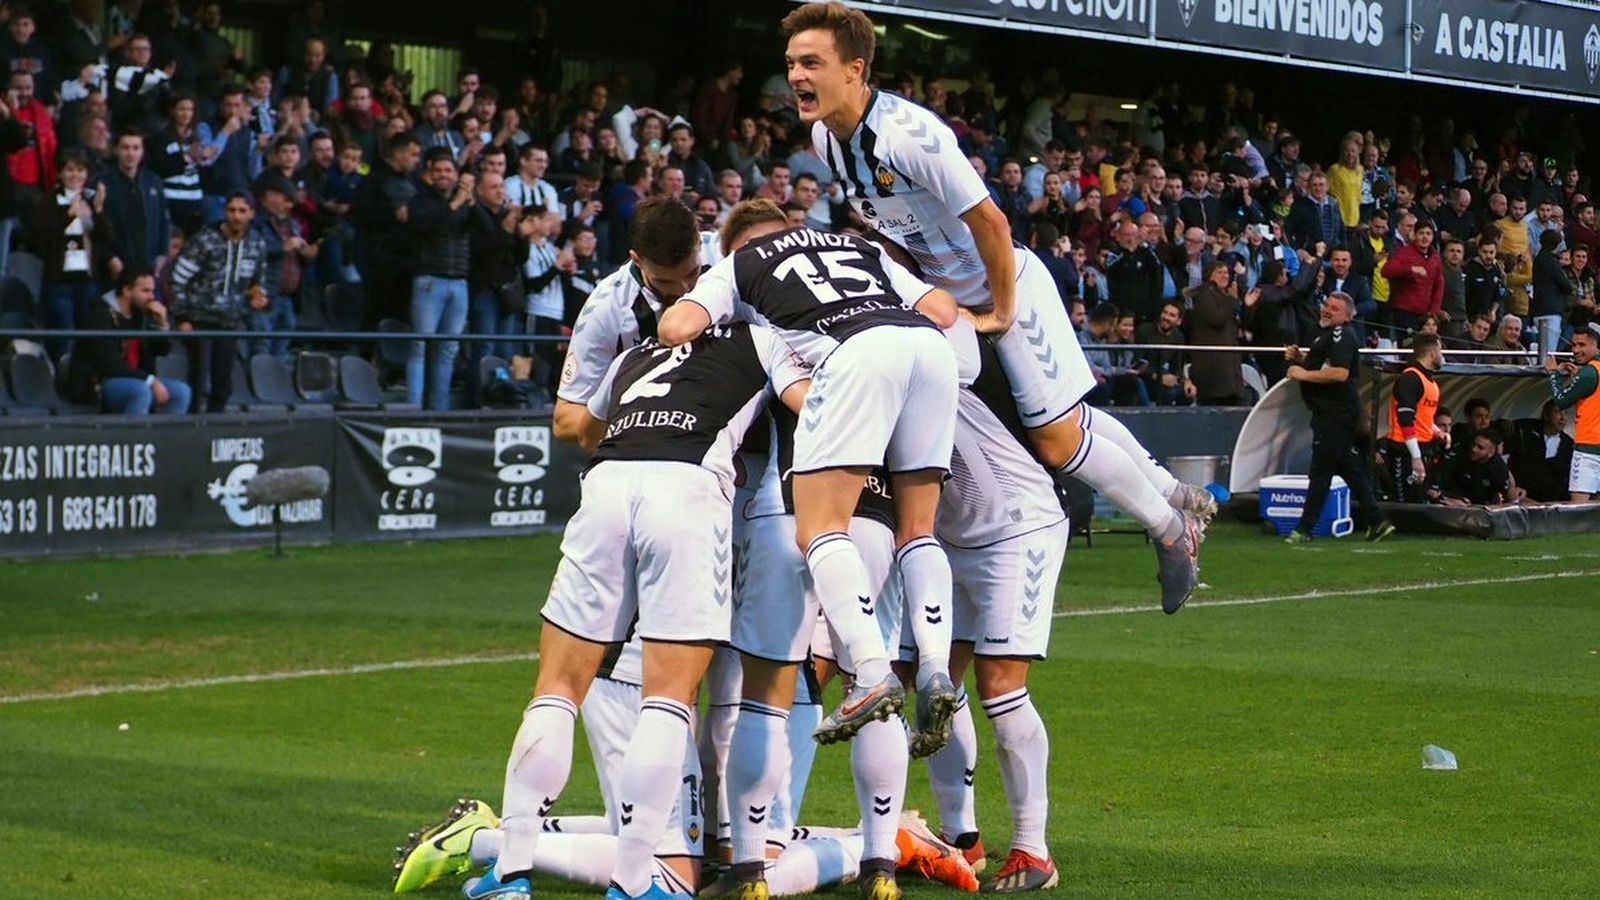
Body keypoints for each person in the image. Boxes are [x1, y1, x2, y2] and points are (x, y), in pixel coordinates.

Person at [781, 0, 1210, 631]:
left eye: (811, 62)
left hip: (1007, 287)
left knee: (1056, 436)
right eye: (791, 62)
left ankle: (1172, 529)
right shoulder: (826, 139)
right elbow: (903, 222)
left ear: (855, 69)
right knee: (1061, 421)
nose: (795, 76)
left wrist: (1000, 309)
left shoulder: (907, 133)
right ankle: (1176, 495)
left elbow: (991, 221)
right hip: (946, 297)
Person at [466, 316, 809, 900]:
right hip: (687, 486)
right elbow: (808, 404)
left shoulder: (639, 351)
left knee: (555, 689)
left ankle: (511, 870)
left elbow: (587, 428)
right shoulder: (763, 337)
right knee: (669, 698)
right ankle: (634, 882)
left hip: (607, 483)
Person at [659, 204, 962, 753]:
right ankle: (937, 667)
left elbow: (675, 326)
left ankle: (872, 672)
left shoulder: (738, 265)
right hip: (929, 350)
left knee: (819, 527)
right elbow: (943, 310)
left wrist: (729, 311)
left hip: (854, 356)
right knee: (918, 530)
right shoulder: (856, 246)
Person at [1282, 292, 1392, 543]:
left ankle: (1304, 529)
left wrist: (1301, 374)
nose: (1327, 310)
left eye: (1335, 308)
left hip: (1335, 413)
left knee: (1320, 472)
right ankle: (1378, 522)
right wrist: (1301, 358)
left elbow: (1340, 373)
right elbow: (1325, 366)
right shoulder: (1327, 333)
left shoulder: (1342, 335)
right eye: (1327, 305)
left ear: (1347, 316)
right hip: (1333, 412)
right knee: (1351, 470)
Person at [168, 190, 267, 412]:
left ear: (252, 213)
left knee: (223, 381)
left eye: (242, 211)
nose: (236, 216)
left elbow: (258, 281)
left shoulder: (257, 244)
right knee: (197, 379)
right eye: (232, 210)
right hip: (198, 318)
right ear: (224, 212)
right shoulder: (204, 240)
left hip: (231, 321)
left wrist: (258, 296)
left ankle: (217, 424)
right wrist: (182, 317)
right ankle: (191, 425)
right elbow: (177, 280)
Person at [64, 269, 192, 415]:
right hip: (101, 382)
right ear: (127, 290)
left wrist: (163, 325)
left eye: (153, 291)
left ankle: (166, 438)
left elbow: (159, 351)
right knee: (140, 392)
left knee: (181, 392)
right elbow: (110, 364)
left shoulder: (142, 313)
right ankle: (136, 438)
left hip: (137, 378)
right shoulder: (99, 314)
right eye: (145, 291)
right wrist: (150, 380)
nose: (151, 297)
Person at [404, 147, 474, 410]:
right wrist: (455, 203)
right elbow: (425, 225)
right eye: (438, 171)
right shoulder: (420, 201)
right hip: (429, 280)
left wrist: (471, 200)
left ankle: (439, 409)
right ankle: (412, 409)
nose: (443, 175)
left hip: (459, 282)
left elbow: (483, 228)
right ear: (430, 175)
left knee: (448, 351)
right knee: (420, 345)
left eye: (448, 170)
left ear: (456, 175)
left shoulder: (465, 202)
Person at [32, 150, 116, 362]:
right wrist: (68, 216)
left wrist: (98, 211)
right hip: (58, 282)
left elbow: (106, 237)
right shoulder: (49, 201)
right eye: (70, 170)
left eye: (80, 170)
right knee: (63, 339)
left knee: (88, 336)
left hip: (87, 280)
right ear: (60, 173)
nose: (75, 175)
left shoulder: (90, 199)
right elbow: (43, 238)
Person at [1383, 334, 1444, 503]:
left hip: (1424, 448)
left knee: (1421, 499)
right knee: (1406, 502)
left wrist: (1438, 431)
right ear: (1432, 353)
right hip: (1405, 451)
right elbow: (1406, 419)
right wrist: (1415, 457)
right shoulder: (1410, 378)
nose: (1442, 355)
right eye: (1440, 350)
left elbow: (1424, 418)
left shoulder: (1429, 381)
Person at [1544, 322, 1600, 501]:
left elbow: (1561, 401)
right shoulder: (1591, 372)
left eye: (1582, 345)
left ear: (1596, 345)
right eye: (1574, 345)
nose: (1576, 350)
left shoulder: (1590, 373)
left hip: (1588, 448)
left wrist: (1553, 373)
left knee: (1578, 509)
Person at [1530, 229, 1574, 361]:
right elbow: (1567, 286)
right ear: (1557, 244)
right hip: (1550, 311)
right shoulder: (1550, 262)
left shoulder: (1539, 260)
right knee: (1548, 352)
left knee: (1544, 349)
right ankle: (1547, 377)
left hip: (1539, 309)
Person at [1441, 429, 1515, 506]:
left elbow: (1506, 497)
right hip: (1455, 502)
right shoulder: (1461, 455)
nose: (1474, 449)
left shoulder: (1499, 469)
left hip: (1484, 508)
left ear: (1491, 453)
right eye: (1474, 444)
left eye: (1480, 447)